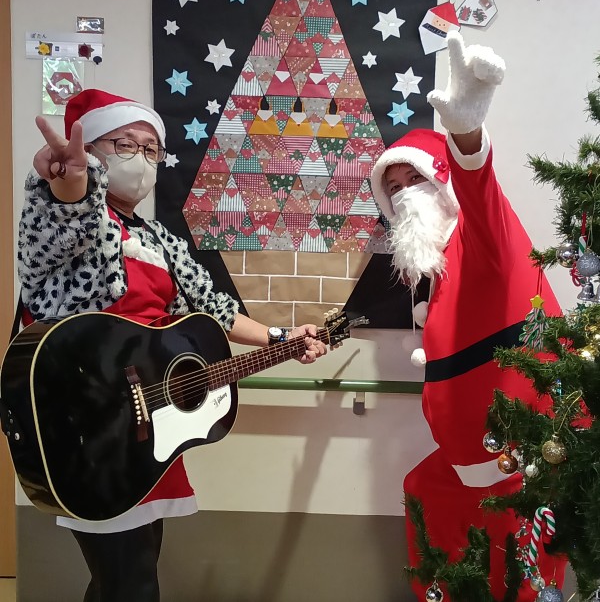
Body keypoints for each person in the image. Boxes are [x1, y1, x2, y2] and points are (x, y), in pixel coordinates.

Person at [17, 88, 328, 602]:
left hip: (145, 428)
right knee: (131, 583)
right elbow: (64, 219)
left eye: (150, 149)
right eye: (123, 144)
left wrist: (281, 338)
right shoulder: (65, 213)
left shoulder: (159, 239)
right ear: (88, 151)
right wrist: (71, 186)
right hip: (89, 423)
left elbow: (213, 307)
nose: (139, 159)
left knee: (124, 579)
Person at [370, 32, 566, 601]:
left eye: (416, 180)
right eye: (393, 188)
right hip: (467, 465)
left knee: (519, 580)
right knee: (423, 497)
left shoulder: (483, 238)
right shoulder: (436, 267)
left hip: (520, 459)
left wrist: (467, 136)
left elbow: (479, 190)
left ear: (442, 181)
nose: (405, 195)